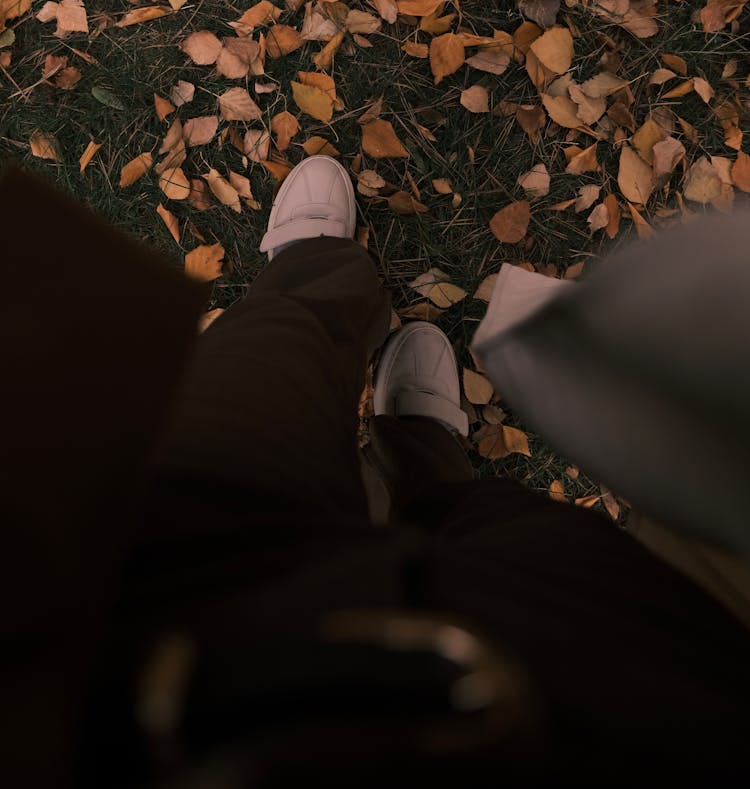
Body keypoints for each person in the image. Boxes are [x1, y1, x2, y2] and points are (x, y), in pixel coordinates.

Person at [1, 156, 749, 789]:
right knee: (469, 509)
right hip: (587, 669)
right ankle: (417, 441)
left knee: (273, 355)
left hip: (142, 586)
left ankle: (317, 270)